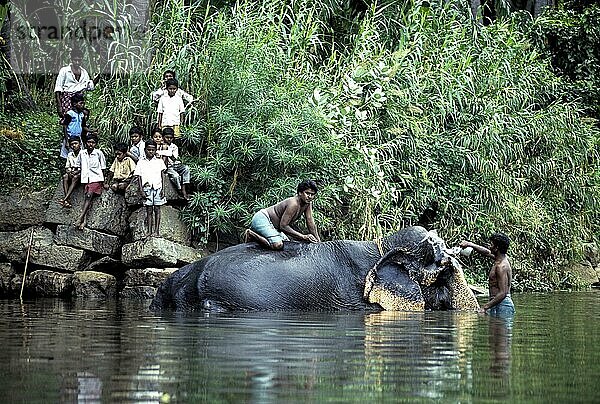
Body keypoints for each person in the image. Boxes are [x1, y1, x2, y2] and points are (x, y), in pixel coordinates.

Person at [245, 180, 321, 250]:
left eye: (312, 194)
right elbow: (283, 226)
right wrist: (303, 237)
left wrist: (318, 241)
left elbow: (310, 222)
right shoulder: (293, 204)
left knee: (288, 243)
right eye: (307, 193)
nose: (310, 197)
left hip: (275, 227)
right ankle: (252, 234)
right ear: (300, 193)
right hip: (263, 219)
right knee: (278, 245)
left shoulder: (307, 203)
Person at [460, 232, 515, 316]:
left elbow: (503, 293)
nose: (489, 246)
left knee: (499, 328)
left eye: (491, 244)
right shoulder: (499, 258)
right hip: (496, 303)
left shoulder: (501, 266)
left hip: (503, 305)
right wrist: (470, 244)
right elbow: (486, 252)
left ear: (496, 248)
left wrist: (485, 307)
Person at [132, 139, 167, 237]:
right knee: (149, 210)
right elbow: (139, 176)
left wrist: (163, 189)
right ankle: (149, 231)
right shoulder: (141, 162)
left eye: (153, 150)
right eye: (148, 150)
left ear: (156, 150)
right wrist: (141, 190)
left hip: (157, 187)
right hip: (147, 188)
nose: (150, 152)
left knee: (157, 209)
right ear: (145, 150)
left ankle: (157, 231)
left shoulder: (159, 161)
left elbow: (162, 175)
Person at [74, 135, 106, 230]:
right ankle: (84, 221)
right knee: (88, 198)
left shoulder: (99, 153)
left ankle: (80, 218)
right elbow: (78, 165)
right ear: (85, 143)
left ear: (95, 144)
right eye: (89, 142)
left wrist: (104, 182)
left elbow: (103, 168)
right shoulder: (82, 153)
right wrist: (75, 172)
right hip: (86, 179)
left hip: (96, 178)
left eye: (93, 142)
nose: (90, 144)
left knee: (88, 196)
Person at [54, 48, 96, 118]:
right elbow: (58, 88)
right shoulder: (64, 71)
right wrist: (59, 106)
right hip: (67, 99)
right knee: (67, 120)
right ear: (71, 59)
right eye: (75, 60)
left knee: (80, 118)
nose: (77, 62)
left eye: (79, 60)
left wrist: (99, 77)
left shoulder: (84, 72)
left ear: (82, 59)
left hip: (79, 100)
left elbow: (89, 86)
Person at [162, 127, 191, 200]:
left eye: (171, 138)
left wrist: (169, 153)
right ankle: (179, 190)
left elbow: (174, 159)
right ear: (163, 137)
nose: (169, 139)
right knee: (176, 176)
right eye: (167, 137)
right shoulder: (160, 146)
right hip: (168, 167)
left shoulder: (174, 147)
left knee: (186, 168)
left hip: (175, 164)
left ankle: (184, 188)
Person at [60, 93, 91, 158]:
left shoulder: (82, 114)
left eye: (83, 103)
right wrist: (67, 141)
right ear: (74, 104)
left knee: (80, 156)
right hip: (69, 137)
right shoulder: (70, 114)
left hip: (78, 138)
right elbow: (65, 126)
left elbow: (83, 126)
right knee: (70, 156)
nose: (82, 105)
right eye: (81, 103)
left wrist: (91, 131)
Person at [59, 137, 82, 208]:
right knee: (65, 176)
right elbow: (67, 167)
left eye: (76, 143)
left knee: (75, 177)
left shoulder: (83, 153)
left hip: (80, 173)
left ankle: (65, 199)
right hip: (72, 172)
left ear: (80, 144)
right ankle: (67, 199)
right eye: (72, 144)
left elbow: (84, 167)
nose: (74, 145)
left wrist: (76, 172)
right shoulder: (70, 154)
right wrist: (69, 172)